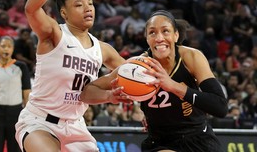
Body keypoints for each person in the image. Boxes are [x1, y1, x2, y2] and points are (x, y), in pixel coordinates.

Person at [14, 0, 125, 152]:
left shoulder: (102, 49)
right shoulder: (54, 33)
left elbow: (132, 73)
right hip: (40, 122)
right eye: (79, 4)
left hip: (76, 127)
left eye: (90, 3)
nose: (88, 8)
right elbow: (31, 8)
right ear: (64, 13)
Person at [81, 10, 228, 152]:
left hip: (199, 137)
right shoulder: (135, 67)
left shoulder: (191, 57)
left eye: (165, 31)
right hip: (161, 142)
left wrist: (173, 86)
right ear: (146, 38)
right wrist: (109, 96)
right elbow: (86, 92)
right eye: (152, 32)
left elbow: (220, 107)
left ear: (176, 35)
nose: (159, 38)